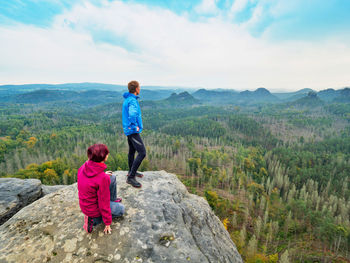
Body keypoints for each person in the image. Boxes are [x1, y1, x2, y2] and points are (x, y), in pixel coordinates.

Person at [77, 144, 124, 234]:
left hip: (86, 202)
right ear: (103, 158)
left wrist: (102, 175)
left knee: (112, 178)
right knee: (121, 209)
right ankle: (93, 220)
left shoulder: (84, 166)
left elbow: (90, 181)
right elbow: (103, 203)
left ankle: (113, 200)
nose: (108, 154)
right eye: (106, 154)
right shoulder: (102, 178)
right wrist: (107, 223)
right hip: (93, 209)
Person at [122, 80, 146, 188]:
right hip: (132, 131)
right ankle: (131, 177)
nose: (140, 89)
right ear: (136, 89)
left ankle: (131, 171)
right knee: (142, 152)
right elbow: (132, 114)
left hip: (128, 130)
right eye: (139, 87)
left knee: (132, 151)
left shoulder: (128, 99)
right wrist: (134, 126)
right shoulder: (132, 101)